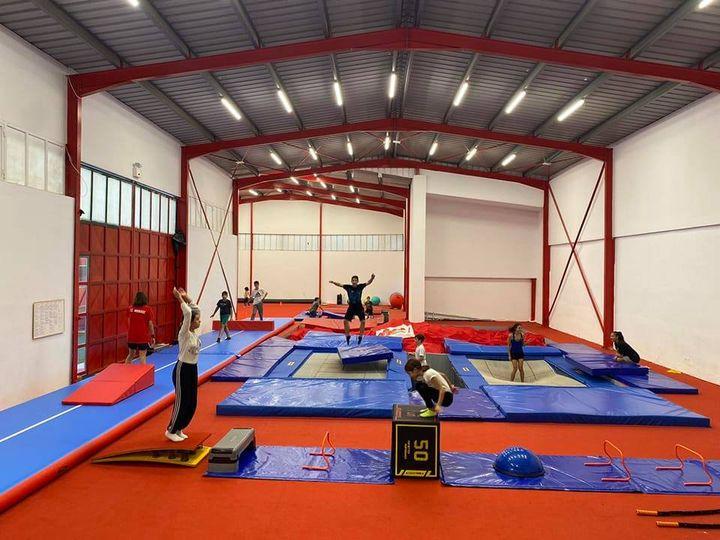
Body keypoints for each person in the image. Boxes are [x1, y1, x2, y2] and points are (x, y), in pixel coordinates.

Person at [166, 287, 202, 443]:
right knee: (181, 401)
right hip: (182, 369)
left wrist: (187, 297)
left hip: (193, 368)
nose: (200, 321)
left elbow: (194, 309)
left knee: (192, 402)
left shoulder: (194, 334)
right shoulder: (185, 334)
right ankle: (171, 430)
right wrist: (179, 298)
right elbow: (188, 313)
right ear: (191, 323)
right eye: (198, 320)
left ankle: (180, 427)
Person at [329, 273, 375, 345]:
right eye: (353, 280)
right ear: (351, 281)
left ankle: (360, 336)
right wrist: (333, 282)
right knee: (345, 321)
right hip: (351, 307)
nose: (354, 282)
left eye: (355, 280)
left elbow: (368, 282)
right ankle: (348, 335)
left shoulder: (360, 286)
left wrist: (372, 278)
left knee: (363, 322)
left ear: (357, 281)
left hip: (359, 307)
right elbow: (340, 284)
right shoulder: (348, 287)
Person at [125, 292, 155, 365]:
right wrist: (152, 335)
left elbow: (128, 321)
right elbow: (150, 324)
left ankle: (125, 370)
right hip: (142, 337)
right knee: (142, 356)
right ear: (145, 299)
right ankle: (143, 372)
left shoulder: (130, 309)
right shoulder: (147, 309)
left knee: (131, 355)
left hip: (131, 336)